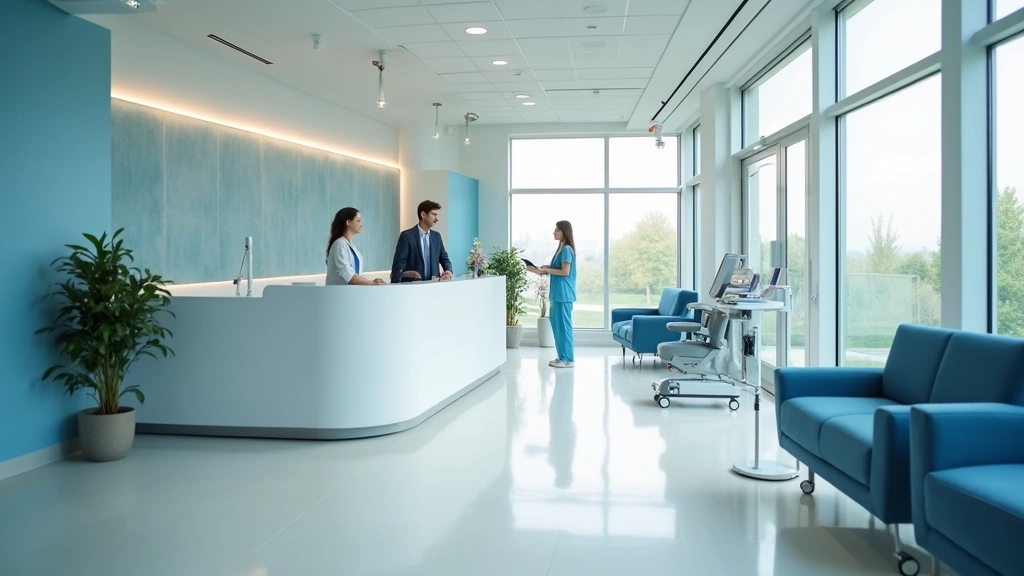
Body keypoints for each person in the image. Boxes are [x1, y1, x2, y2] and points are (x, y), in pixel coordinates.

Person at [528, 221, 576, 368]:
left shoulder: (567, 249)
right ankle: (562, 356)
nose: (554, 233)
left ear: (564, 232)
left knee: (564, 327)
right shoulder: (560, 249)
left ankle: (568, 359)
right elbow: (557, 269)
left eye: (556, 230)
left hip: (564, 295)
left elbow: (565, 272)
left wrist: (547, 270)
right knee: (557, 327)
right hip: (556, 294)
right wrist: (543, 268)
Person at [390, 200, 453, 283]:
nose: (437, 219)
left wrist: (448, 271)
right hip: (412, 288)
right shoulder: (406, 236)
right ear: (423, 214)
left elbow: (444, 258)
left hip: (433, 287)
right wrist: (406, 274)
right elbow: (397, 267)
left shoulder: (436, 236)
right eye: (434, 214)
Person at [326, 207, 386, 286]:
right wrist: (371, 283)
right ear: (348, 222)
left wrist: (371, 281)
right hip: (340, 295)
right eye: (358, 221)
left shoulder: (350, 246)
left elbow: (354, 274)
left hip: (352, 294)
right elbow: (347, 274)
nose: (361, 225)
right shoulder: (340, 245)